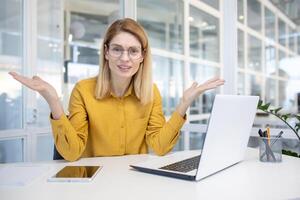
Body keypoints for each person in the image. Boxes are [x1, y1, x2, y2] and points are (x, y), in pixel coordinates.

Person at [9, 18, 224, 161]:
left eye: (132, 51)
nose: (124, 58)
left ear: (142, 56)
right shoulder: (83, 90)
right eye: (117, 49)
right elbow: (72, 153)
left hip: (133, 180)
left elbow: (160, 147)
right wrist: (53, 101)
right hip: (94, 182)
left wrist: (183, 104)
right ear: (106, 52)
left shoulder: (151, 93)